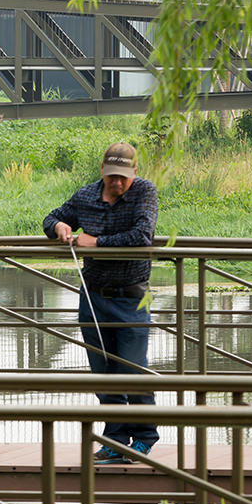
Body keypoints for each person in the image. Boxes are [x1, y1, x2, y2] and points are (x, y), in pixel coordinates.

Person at [42, 141, 160, 464]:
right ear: (102, 172)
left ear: (134, 173)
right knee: (103, 372)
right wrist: (59, 227)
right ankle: (115, 439)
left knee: (132, 370)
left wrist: (96, 242)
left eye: (124, 176)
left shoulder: (144, 193)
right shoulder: (85, 196)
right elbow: (50, 218)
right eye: (112, 176)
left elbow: (142, 235)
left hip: (132, 297)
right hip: (93, 297)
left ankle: (145, 437)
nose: (117, 183)